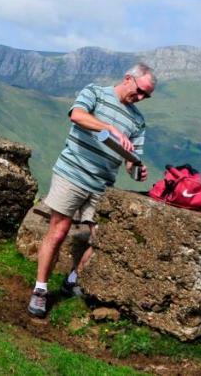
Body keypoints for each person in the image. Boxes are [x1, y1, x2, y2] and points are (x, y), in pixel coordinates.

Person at [27, 63, 155, 318]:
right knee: (59, 229)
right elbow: (77, 115)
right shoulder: (95, 93)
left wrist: (136, 171)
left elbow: (131, 159)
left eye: (146, 96)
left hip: (102, 184)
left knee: (102, 239)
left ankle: (72, 280)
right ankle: (40, 290)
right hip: (72, 172)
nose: (140, 98)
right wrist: (109, 128)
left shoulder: (138, 121)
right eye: (140, 91)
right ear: (128, 78)